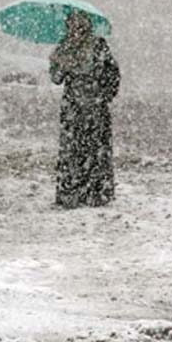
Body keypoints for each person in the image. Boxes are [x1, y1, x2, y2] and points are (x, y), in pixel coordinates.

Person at [49, 11, 121, 209]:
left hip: (95, 105)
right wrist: (59, 64)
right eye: (73, 25)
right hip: (73, 106)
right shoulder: (64, 48)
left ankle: (96, 192)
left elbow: (112, 73)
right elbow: (56, 79)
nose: (76, 30)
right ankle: (71, 193)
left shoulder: (98, 45)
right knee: (73, 148)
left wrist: (102, 94)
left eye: (80, 25)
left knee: (95, 148)